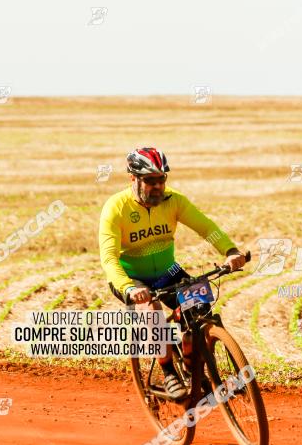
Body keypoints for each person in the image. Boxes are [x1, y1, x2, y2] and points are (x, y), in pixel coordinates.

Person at [99, 147, 246, 399]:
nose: (157, 187)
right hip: (131, 279)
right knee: (152, 311)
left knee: (200, 310)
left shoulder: (174, 200)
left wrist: (230, 250)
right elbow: (109, 257)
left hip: (169, 272)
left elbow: (205, 227)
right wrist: (130, 288)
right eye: (150, 181)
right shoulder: (116, 208)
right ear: (132, 179)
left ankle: (191, 367)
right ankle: (168, 371)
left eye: (161, 180)